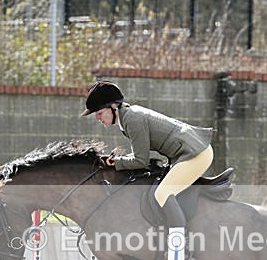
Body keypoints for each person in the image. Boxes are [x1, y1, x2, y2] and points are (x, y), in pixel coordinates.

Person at [81, 80, 214, 233]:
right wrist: (116, 161)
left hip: (196, 153)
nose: (98, 119)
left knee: (162, 194)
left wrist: (115, 163)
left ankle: (179, 243)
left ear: (113, 107)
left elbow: (140, 161)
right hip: (188, 152)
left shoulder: (132, 119)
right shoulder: (128, 117)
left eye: (99, 113)